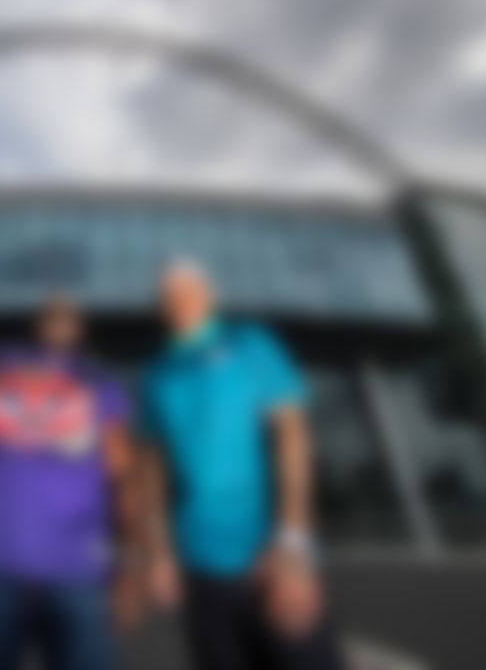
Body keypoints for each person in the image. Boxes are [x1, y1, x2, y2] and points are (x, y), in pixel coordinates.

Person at [134, 259, 345, 670]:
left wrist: (293, 541)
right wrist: (159, 552)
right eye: (169, 293)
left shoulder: (250, 344)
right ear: (159, 305)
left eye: (189, 288)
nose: (180, 299)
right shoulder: (156, 373)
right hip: (199, 567)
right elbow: (150, 468)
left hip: (269, 557)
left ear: (210, 295)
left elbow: (293, 436)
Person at [0, 294, 141, 670]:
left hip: (79, 571)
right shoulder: (2, 360)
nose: (59, 319)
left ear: (81, 325)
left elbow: (123, 477)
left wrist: (130, 565)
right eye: (50, 311)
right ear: (37, 322)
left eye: (68, 313)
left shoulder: (101, 384)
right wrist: (28, 379)